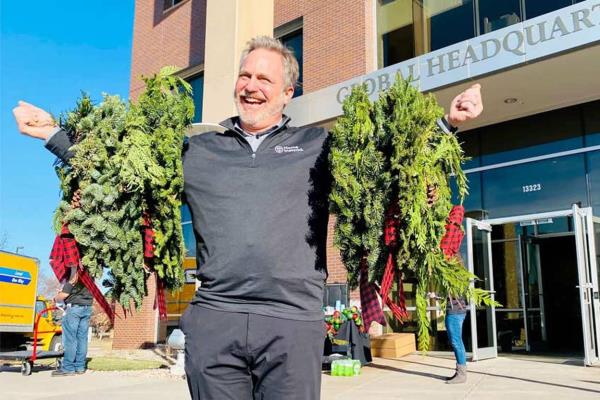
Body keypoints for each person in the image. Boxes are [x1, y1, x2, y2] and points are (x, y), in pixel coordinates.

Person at [13, 36, 483, 398]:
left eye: (264, 79)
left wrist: (449, 122)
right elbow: (124, 177)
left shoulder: (318, 148)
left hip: (292, 321)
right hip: (216, 319)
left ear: (287, 92)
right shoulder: (199, 150)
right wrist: (53, 133)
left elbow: (384, 174)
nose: (250, 86)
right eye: (245, 75)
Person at [52, 267, 93, 377]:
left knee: (70, 339)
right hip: (87, 307)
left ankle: (68, 368)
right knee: (82, 339)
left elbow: (66, 291)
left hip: (74, 308)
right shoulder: (90, 270)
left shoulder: (74, 269)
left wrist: (56, 298)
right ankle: (80, 367)